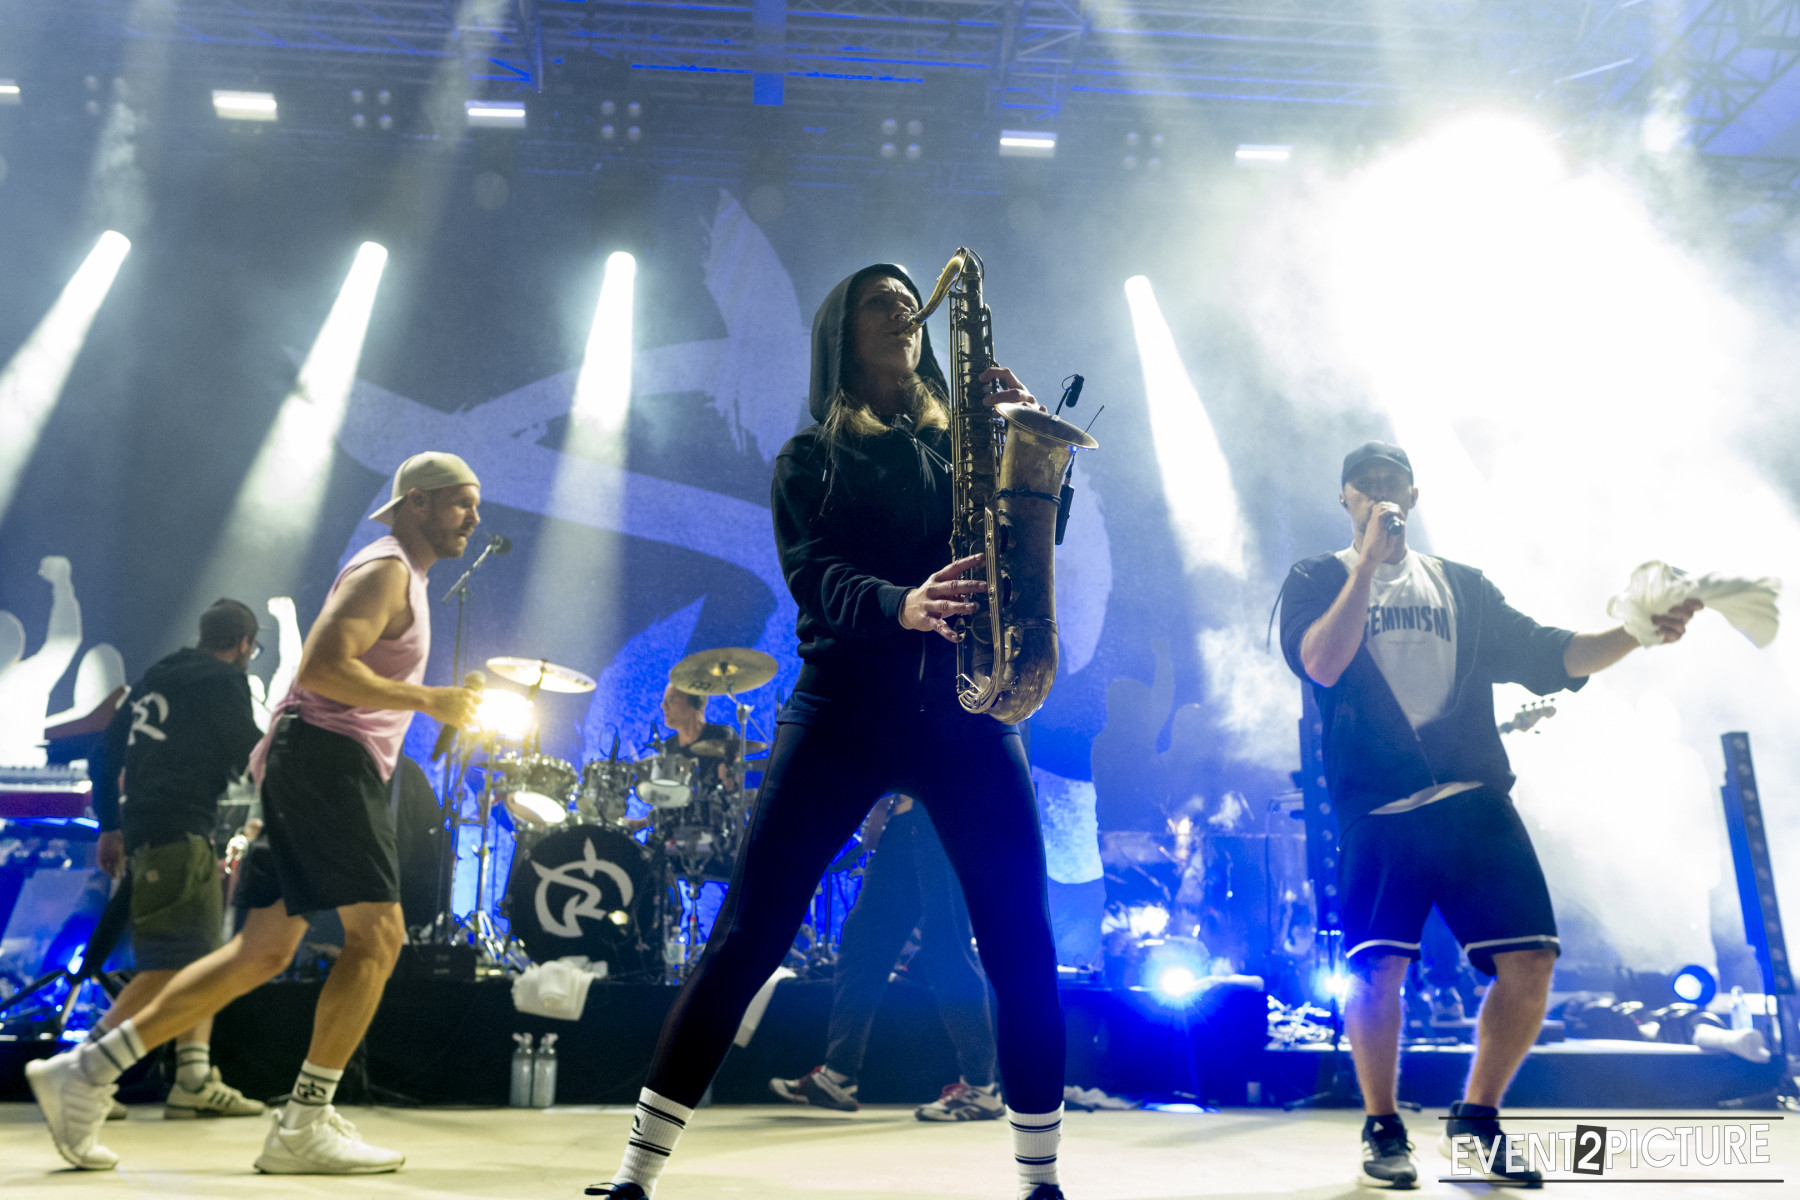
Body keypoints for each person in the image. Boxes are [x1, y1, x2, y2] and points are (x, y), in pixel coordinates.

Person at [584, 265, 1068, 1200]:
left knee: (1022, 945)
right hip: (845, 707)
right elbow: (816, 579)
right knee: (748, 934)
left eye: (909, 299)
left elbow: (1028, 542)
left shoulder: (959, 445)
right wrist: (903, 604)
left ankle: (1040, 1181)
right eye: (880, 300)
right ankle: (636, 1172)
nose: (904, 312)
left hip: (966, 710)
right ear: (839, 335)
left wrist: (1024, 446)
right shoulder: (811, 458)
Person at [28, 452, 483, 1175]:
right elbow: (322, 668)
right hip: (329, 761)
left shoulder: (403, 576)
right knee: (379, 937)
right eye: (461, 502)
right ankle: (304, 1122)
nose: (474, 517)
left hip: (310, 760)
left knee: (261, 952)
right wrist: (431, 700)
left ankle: (86, 1071)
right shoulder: (386, 569)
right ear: (417, 503)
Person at [1278, 441, 1701, 1189]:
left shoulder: (1462, 586)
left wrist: (1637, 631)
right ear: (1344, 499)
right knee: (1377, 968)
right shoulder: (1319, 577)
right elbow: (1321, 663)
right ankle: (1383, 1126)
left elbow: (1550, 655)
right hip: (1379, 805)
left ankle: (1477, 1122)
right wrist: (1367, 568)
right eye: (1364, 485)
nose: (1379, 494)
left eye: (1391, 482)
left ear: (1415, 494)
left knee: (1532, 958)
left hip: (1473, 797)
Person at [87, 598, 269, 1121]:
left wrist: (110, 825)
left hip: (152, 831)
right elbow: (250, 754)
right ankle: (81, 1071)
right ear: (243, 644)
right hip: (179, 829)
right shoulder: (225, 681)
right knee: (172, 965)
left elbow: (103, 754)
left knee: (196, 959)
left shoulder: (155, 677)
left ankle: (192, 1077)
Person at [770, 792, 1001, 1122]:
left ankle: (981, 1087)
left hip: (943, 814)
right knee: (863, 944)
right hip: (903, 822)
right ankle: (839, 1075)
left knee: (946, 948)